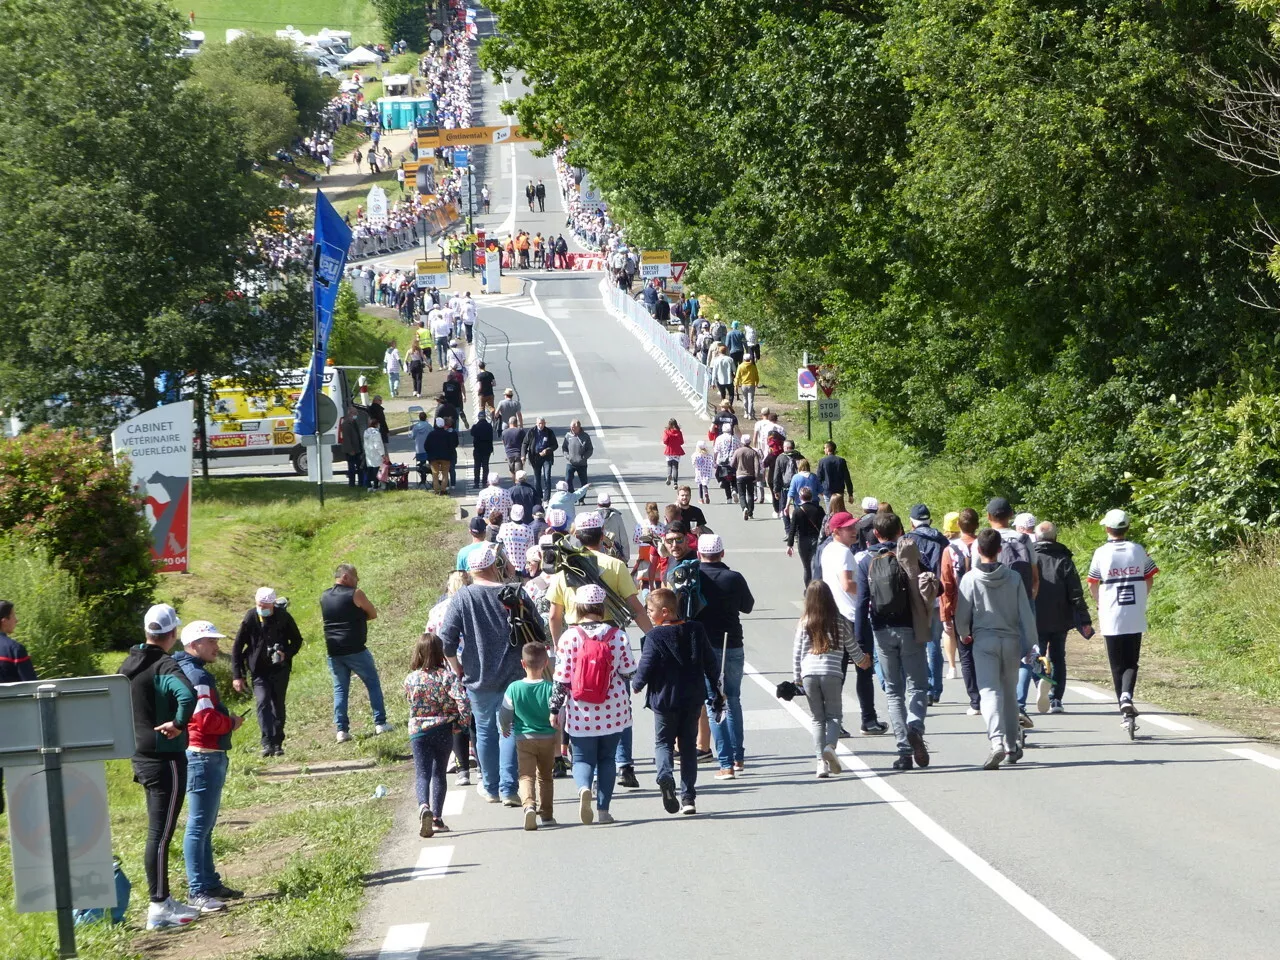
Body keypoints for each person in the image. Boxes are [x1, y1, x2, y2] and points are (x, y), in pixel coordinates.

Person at [546, 513, 653, 787]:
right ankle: (624, 764)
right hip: (611, 636)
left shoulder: (564, 571)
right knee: (620, 701)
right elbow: (636, 608)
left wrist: (559, 645)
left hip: (575, 636)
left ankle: (586, 768)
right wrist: (654, 637)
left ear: (576, 535)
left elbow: (554, 616)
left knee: (580, 698)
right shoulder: (615, 566)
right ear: (602, 533)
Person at [120, 604, 199, 930]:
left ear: (146, 631)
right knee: (161, 835)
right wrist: (179, 724)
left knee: (157, 834)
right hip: (165, 758)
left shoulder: (128, 664)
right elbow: (188, 694)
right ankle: (159, 904)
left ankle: (161, 899)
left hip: (138, 753)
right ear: (173, 633)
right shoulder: (164, 665)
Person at [439, 546, 536, 804]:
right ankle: (509, 788)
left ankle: (491, 787)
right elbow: (537, 629)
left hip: (478, 675)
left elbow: (446, 639)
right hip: (514, 673)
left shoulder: (463, 597)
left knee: (484, 732)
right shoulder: (515, 593)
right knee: (510, 730)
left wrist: (455, 666)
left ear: (472, 571)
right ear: (496, 565)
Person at [550, 584, 637, 825]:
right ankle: (603, 811)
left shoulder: (569, 637)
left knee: (582, 759)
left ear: (577, 607)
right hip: (614, 710)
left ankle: (583, 789)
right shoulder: (617, 635)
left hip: (580, 711)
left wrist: (554, 709)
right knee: (607, 759)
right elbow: (629, 671)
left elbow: (561, 678)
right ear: (602, 607)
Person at [174, 620, 244, 914]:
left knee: (205, 824)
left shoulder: (185, 669)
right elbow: (204, 719)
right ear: (193, 645)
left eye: (216, 640)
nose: (217, 646)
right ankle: (198, 890)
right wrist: (231, 723)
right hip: (204, 753)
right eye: (210, 641)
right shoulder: (199, 675)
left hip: (202, 752)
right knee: (199, 825)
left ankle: (209, 882)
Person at [632, 588, 722, 815]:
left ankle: (664, 776)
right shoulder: (696, 630)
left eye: (650, 610)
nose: (648, 614)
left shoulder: (654, 637)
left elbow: (646, 666)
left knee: (663, 742)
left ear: (664, 611)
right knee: (688, 747)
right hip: (692, 698)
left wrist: (637, 684)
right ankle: (688, 797)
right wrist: (716, 687)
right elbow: (711, 661)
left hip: (664, 700)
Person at [955, 528, 1037, 769]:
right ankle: (1012, 745)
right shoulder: (1013, 578)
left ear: (978, 551)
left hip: (983, 640)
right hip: (1010, 639)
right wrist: (1032, 645)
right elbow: (1026, 614)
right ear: (1000, 550)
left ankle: (996, 742)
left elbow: (962, 615)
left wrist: (964, 634)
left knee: (989, 691)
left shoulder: (970, 579)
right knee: (1009, 693)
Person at [855, 512, 931, 771]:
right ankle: (915, 727)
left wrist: (859, 640)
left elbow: (861, 603)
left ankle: (904, 751)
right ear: (901, 531)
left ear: (875, 534)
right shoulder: (909, 554)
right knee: (918, 686)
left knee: (893, 691)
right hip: (910, 628)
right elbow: (931, 584)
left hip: (881, 631)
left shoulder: (866, 561)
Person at [1087, 509, 1157, 725]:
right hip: (1134, 612)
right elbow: (1149, 578)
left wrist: (1100, 604)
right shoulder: (1138, 549)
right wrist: (1140, 600)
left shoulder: (1101, 553)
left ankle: (1123, 705)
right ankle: (1127, 697)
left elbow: (1092, 583)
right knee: (1131, 661)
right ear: (1127, 528)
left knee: (1116, 663)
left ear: (1107, 528)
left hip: (1110, 613)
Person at [820, 512, 887, 737]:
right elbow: (847, 584)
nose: (854, 531)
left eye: (854, 526)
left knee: (837, 672)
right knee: (864, 668)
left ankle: (834, 721)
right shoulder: (845, 553)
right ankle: (868, 719)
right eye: (848, 528)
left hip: (833, 617)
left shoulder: (827, 550)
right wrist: (870, 592)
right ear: (836, 531)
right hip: (851, 617)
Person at [694, 534, 755, 778]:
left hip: (705, 645)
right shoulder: (733, 577)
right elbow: (747, 606)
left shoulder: (693, 577)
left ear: (699, 554)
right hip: (733, 644)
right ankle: (738, 758)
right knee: (733, 699)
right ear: (722, 553)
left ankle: (725, 763)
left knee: (713, 702)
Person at [794, 580, 867, 778]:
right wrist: (863, 660)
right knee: (834, 715)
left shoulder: (805, 621)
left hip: (809, 673)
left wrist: (797, 678)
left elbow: (798, 652)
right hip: (832, 672)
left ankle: (820, 763)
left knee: (817, 718)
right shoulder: (840, 620)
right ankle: (830, 747)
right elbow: (852, 648)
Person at [981, 497, 1040, 729]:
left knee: (996, 658)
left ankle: (1001, 708)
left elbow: (978, 575)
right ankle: (1019, 705)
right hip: (1022, 601)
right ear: (1010, 516)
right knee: (1026, 654)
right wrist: (1028, 602)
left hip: (993, 608)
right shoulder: (1024, 539)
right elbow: (1035, 578)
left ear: (988, 517)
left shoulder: (985, 539)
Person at [405, 632, 471, 838]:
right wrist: (462, 724)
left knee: (422, 773)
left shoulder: (411, 679)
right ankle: (437, 819)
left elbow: (410, 702)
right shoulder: (447, 676)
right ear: (440, 652)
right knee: (438, 773)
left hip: (418, 731)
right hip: (443, 729)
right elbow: (463, 701)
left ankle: (423, 806)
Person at [321, 565, 392, 743]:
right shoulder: (355, 594)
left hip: (334, 651)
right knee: (373, 684)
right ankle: (380, 723)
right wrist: (358, 618)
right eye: (355, 577)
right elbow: (373, 613)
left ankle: (341, 730)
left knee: (340, 690)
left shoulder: (324, 596)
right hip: (356, 649)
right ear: (345, 577)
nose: (357, 580)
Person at [231, 587, 302, 757]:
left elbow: (297, 640)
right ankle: (266, 742)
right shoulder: (251, 617)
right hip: (258, 671)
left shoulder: (283, 617)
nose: (262, 608)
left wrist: (286, 654)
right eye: (259, 605)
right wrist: (237, 675)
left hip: (280, 670)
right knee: (262, 702)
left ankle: (277, 742)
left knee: (277, 705)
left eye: (265, 606)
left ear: (273, 605)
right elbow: (237, 646)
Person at [1034, 521, 1095, 714]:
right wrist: (1084, 618)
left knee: (1036, 656)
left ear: (1036, 538)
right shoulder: (1064, 558)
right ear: (1056, 537)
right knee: (1059, 657)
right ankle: (1056, 699)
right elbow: (1075, 592)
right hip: (1061, 617)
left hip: (1036, 616)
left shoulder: (1031, 558)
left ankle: (1041, 683)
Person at [498, 641, 558, 830]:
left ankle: (529, 805)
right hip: (548, 738)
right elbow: (559, 714)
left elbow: (505, 712)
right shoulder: (551, 688)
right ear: (546, 663)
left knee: (525, 776)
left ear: (522, 664)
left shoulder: (514, 688)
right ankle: (547, 815)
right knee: (546, 777)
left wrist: (505, 726)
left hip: (524, 738)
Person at [906, 504, 949, 707]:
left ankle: (922, 685)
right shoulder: (942, 540)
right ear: (930, 520)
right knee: (934, 643)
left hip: (915, 599)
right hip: (938, 597)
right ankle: (935, 688)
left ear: (912, 522)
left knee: (917, 644)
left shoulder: (908, 539)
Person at [940, 508, 982, 716]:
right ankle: (989, 693)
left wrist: (945, 613)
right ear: (978, 524)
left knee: (966, 655)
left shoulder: (950, 550)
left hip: (960, 606)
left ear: (959, 526)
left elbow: (946, 584)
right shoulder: (986, 545)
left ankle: (975, 700)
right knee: (985, 652)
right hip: (985, 607)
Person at [0, 601, 35, 813]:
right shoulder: (14, 650)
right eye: (14, 616)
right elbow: (31, 687)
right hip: (12, 723)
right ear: (3, 621)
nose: (17, 620)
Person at [786, 486, 826, 588]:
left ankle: (808, 589)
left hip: (802, 541)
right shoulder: (819, 510)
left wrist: (789, 545)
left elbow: (792, 529)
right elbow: (825, 525)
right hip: (816, 539)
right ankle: (816, 589)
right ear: (812, 497)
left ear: (800, 497)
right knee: (815, 565)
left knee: (806, 567)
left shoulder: (797, 511)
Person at [523, 416, 557, 501]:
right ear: (536, 423)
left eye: (542, 423)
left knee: (547, 477)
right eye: (539, 423)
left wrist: (547, 450)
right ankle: (539, 497)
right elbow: (525, 443)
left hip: (547, 457)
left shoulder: (549, 432)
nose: (541, 425)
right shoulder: (531, 432)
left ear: (545, 423)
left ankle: (546, 499)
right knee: (537, 479)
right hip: (535, 457)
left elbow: (555, 445)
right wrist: (523, 455)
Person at [729, 433, 762, 521]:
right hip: (750, 476)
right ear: (750, 442)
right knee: (750, 494)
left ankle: (744, 508)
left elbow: (732, 464)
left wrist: (737, 466)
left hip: (740, 475)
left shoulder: (738, 451)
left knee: (742, 494)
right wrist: (756, 476)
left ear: (741, 442)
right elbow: (757, 465)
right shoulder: (753, 452)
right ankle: (750, 513)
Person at [594, 492, 631, 564]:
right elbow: (623, 538)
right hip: (615, 555)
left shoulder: (593, 517)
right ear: (610, 503)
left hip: (599, 556)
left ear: (598, 504)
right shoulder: (616, 516)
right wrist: (625, 558)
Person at [498, 503, 535, 574]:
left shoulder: (504, 527)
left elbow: (499, 540)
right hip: (524, 567)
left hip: (508, 567)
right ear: (523, 515)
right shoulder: (529, 529)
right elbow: (531, 549)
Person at [425, 417, 456, 494]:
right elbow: (451, 446)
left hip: (433, 458)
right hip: (445, 457)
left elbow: (426, 445)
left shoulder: (431, 434)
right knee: (445, 474)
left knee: (435, 474)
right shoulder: (447, 434)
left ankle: (436, 490)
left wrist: (430, 453)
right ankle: (443, 490)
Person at [561, 419, 594, 491]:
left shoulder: (585, 436)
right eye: (571, 427)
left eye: (574, 428)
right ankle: (572, 495)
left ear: (579, 427)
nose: (572, 429)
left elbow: (590, 449)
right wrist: (567, 456)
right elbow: (564, 448)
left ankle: (581, 499)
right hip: (571, 463)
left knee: (584, 482)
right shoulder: (568, 436)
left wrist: (583, 458)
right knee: (568, 480)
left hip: (582, 464)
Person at [713, 423, 741, 503]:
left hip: (722, 462)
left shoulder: (719, 438)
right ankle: (735, 490)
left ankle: (728, 498)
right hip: (733, 461)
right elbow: (739, 448)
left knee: (725, 481)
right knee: (734, 479)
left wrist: (715, 460)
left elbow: (716, 451)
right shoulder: (735, 438)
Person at [340, 405, 366, 488]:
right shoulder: (346, 424)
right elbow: (346, 439)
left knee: (360, 467)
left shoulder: (354, 422)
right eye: (355, 413)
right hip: (350, 450)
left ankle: (361, 483)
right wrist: (351, 450)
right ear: (350, 413)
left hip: (357, 449)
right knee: (351, 468)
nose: (356, 415)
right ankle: (352, 484)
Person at [470, 412, 494, 490]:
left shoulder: (475, 426)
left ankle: (476, 483)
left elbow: (472, 433)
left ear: (478, 418)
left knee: (477, 466)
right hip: (487, 449)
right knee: (485, 466)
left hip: (477, 449)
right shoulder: (489, 426)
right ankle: (484, 482)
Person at [362, 418, 387, 491]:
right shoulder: (376, 433)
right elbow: (377, 445)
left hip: (369, 453)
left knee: (369, 470)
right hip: (376, 454)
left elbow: (365, 443)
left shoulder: (366, 432)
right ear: (376, 424)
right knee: (377, 471)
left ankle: (369, 486)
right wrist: (382, 454)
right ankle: (376, 486)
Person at [502, 417, 527, 483]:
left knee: (512, 472)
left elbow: (504, 443)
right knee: (519, 473)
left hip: (509, 455)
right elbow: (524, 443)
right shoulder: (520, 431)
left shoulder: (504, 432)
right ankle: (519, 486)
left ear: (509, 423)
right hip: (518, 454)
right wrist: (524, 455)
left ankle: (514, 485)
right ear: (516, 423)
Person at [663, 418, 685, 486]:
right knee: (675, 467)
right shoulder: (679, 432)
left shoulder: (667, 431)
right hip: (677, 451)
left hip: (669, 450)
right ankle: (675, 482)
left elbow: (665, 441)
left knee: (669, 466)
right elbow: (682, 442)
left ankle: (669, 475)